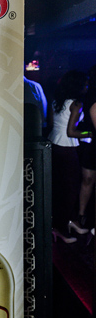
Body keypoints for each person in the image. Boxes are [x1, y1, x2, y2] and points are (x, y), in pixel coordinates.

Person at [48, 70, 90, 243]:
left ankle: (68, 222)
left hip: (53, 145)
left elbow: (52, 124)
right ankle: (61, 227)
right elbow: (71, 132)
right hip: (66, 148)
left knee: (60, 188)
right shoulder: (76, 103)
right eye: (85, 84)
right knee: (70, 190)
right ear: (77, 85)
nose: (87, 87)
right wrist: (89, 133)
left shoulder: (56, 100)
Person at [71, 65, 96, 234]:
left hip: (90, 145)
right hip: (91, 146)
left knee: (87, 181)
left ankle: (83, 217)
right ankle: (81, 217)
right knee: (87, 181)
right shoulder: (89, 98)